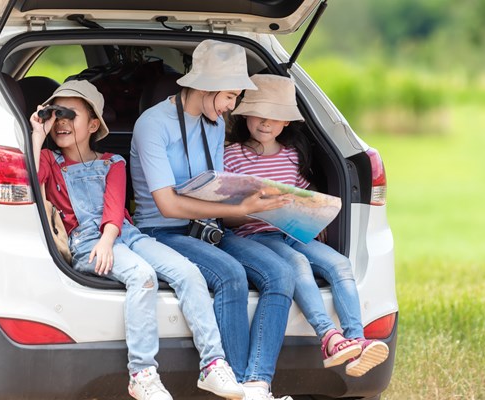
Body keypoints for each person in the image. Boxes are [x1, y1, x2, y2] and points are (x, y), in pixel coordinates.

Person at [30, 80, 244, 400]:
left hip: (122, 233)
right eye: (55, 115)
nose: (60, 122)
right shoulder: (49, 161)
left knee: (188, 272)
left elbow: (116, 206)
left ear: (93, 124)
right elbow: (30, 183)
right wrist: (36, 134)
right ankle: (142, 373)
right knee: (141, 276)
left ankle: (213, 364)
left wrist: (109, 237)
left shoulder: (113, 162)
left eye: (69, 115)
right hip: (86, 242)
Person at [130, 40, 295, 400]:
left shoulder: (215, 123)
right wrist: (236, 210)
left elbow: (215, 187)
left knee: (281, 274)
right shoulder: (152, 125)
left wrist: (256, 199)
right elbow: (168, 205)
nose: (231, 107)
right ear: (204, 87)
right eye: (229, 96)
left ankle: (256, 384)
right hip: (162, 231)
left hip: (208, 227)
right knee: (231, 274)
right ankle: (233, 381)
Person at [224, 74, 390, 377]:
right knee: (298, 264)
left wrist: (316, 213)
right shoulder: (233, 155)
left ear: (286, 122)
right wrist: (257, 210)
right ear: (245, 114)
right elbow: (225, 211)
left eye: (275, 117)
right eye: (259, 114)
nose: (266, 123)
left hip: (293, 233)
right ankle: (329, 337)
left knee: (340, 265)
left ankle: (356, 339)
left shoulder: (290, 156)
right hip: (259, 236)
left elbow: (303, 194)